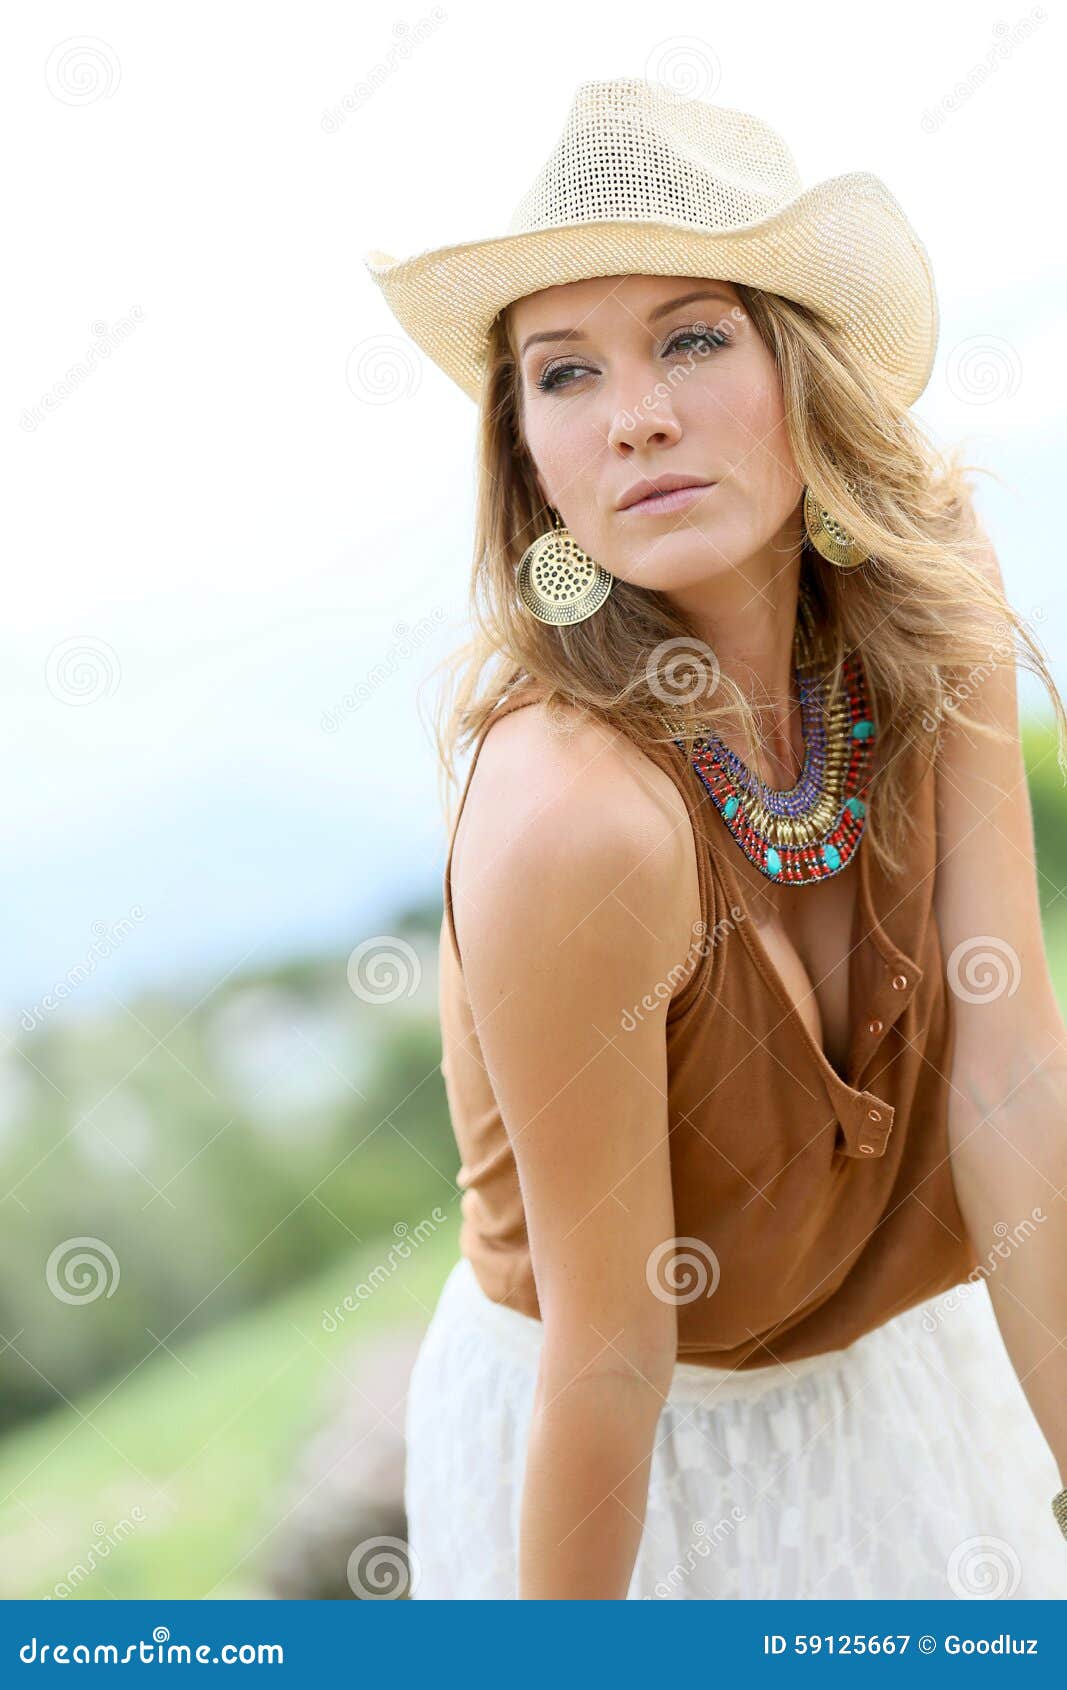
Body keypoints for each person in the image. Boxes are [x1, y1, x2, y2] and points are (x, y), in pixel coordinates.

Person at [364, 77, 1067, 1600]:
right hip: (635, 1461)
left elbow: (1012, 1077)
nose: (636, 417)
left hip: (898, 1371)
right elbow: (610, 1357)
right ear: (528, 455)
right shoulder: (575, 817)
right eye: (564, 373)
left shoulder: (926, 594)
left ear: (797, 366)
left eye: (691, 336)